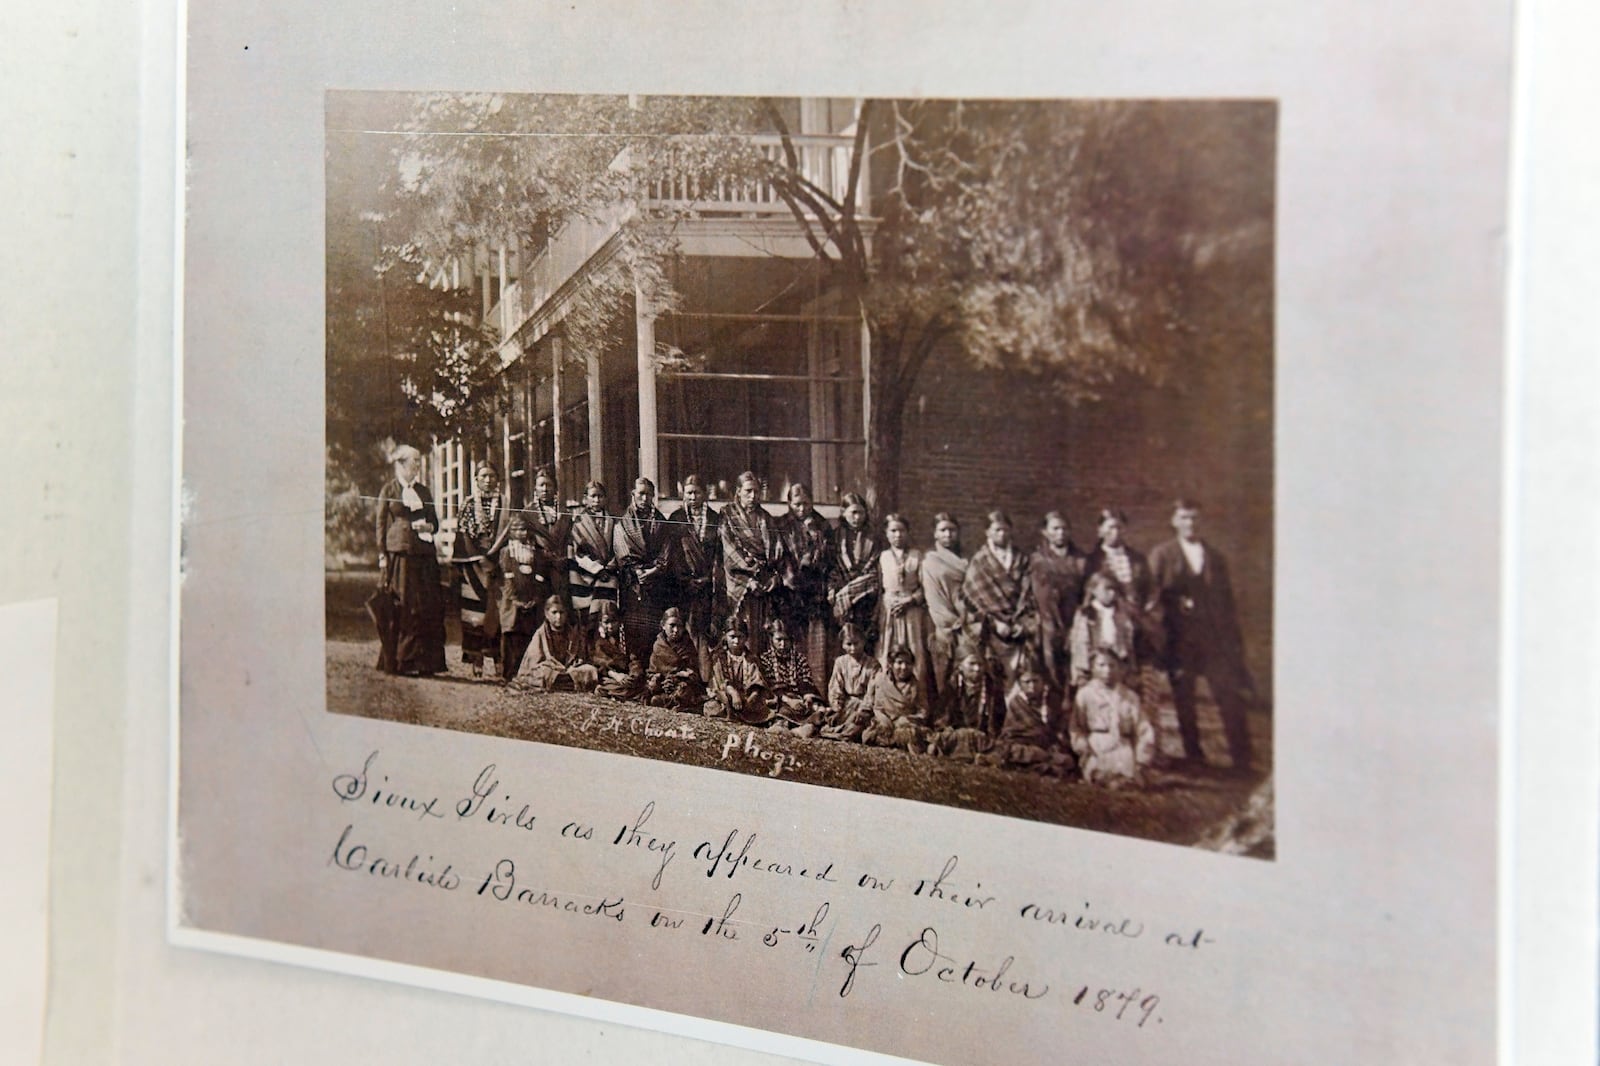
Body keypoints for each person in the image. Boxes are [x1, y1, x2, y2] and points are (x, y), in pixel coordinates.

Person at [1148, 498, 1256, 773]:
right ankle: (1194, 757)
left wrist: (1234, 646)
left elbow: (1227, 605)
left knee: (1229, 696)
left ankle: (1242, 760)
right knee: (1184, 701)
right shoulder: (1162, 555)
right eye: (1184, 517)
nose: (1190, 523)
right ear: (1174, 521)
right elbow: (1151, 600)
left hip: (1214, 643)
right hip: (1179, 642)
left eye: (1194, 517)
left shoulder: (1216, 558)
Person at [374, 444, 447, 677]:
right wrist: (382, 556)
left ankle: (426, 663)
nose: (417, 466)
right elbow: (381, 525)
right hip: (400, 556)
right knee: (403, 606)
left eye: (418, 461)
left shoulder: (424, 492)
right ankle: (401, 661)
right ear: (402, 464)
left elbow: (435, 522)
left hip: (424, 557)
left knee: (427, 606)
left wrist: (428, 526)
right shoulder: (389, 490)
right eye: (414, 461)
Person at [961, 510, 1037, 693]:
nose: (1001, 534)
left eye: (1005, 530)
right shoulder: (979, 562)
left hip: (1018, 629)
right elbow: (972, 599)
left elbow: (1029, 593)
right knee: (995, 676)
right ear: (987, 532)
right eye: (996, 530)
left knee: (1022, 675)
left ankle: (1016, 714)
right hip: (992, 631)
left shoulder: (1022, 559)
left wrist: (1023, 624)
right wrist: (995, 622)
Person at [773, 482, 834, 685]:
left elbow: (830, 559)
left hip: (815, 593)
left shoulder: (822, 525)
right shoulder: (781, 525)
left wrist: (816, 541)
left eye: (806, 504)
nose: (802, 508)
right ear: (789, 503)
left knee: (816, 647)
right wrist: (792, 578)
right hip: (789, 594)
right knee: (791, 642)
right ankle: (792, 689)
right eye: (797, 504)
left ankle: (816, 690)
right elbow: (778, 556)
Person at [454, 461, 510, 679]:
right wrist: (479, 560)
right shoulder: (468, 504)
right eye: (484, 476)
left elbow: (510, 533)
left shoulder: (505, 503)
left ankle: (498, 658)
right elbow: (464, 536)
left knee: (495, 612)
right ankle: (476, 659)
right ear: (476, 479)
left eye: (492, 476)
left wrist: (496, 560)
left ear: (498, 479)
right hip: (473, 567)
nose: (488, 480)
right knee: (474, 614)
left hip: (498, 565)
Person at [662, 474, 720, 679]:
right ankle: (687, 676)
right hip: (683, 586)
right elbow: (671, 554)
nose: (693, 497)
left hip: (707, 586)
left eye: (697, 492)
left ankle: (706, 679)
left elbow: (719, 555)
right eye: (689, 493)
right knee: (684, 630)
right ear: (683, 494)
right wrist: (685, 580)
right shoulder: (676, 519)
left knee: (705, 632)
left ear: (704, 494)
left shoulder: (715, 519)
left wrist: (709, 579)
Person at [1069, 651, 1156, 788]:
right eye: (1101, 665)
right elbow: (1076, 727)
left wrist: (1142, 760)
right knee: (1100, 776)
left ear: (1120, 668)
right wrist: (1083, 748)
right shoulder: (1085, 694)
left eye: (1112, 665)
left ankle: (1125, 779)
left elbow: (1143, 729)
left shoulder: (1130, 696)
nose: (1107, 670)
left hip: (1122, 747)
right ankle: (1099, 776)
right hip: (1097, 746)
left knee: (1127, 779)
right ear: (1092, 668)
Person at [719, 471, 781, 656]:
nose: (753, 496)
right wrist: (749, 580)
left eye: (756, 491)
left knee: (762, 633)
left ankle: (761, 677)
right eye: (748, 491)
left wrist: (773, 577)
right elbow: (729, 551)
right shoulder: (727, 514)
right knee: (741, 631)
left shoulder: (766, 517)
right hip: (740, 582)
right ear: (738, 492)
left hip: (764, 582)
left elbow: (777, 549)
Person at [1030, 510, 1087, 698]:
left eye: (1064, 528)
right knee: (1050, 668)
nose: (1060, 533)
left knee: (1075, 668)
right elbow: (1030, 593)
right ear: (1045, 532)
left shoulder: (1080, 561)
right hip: (1047, 625)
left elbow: (1087, 593)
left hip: (1075, 623)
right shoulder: (1037, 560)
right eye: (1055, 528)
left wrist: (1079, 623)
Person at [876, 513, 932, 699]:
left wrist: (909, 601)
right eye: (893, 530)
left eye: (901, 530)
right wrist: (889, 601)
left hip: (912, 613)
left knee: (915, 652)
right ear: (886, 533)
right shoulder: (882, 557)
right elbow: (878, 587)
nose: (897, 535)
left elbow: (926, 589)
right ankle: (888, 699)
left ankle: (917, 700)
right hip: (890, 610)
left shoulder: (918, 556)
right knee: (887, 651)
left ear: (907, 532)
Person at [615, 477, 669, 656]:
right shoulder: (623, 522)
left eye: (649, 494)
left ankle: (653, 668)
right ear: (633, 495)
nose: (645, 498)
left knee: (654, 626)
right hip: (632, 583)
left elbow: (666, 551)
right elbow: (622, 551)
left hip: (656, 581)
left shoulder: (661, 521)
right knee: (634, 627)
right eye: (641, 494)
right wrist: (637, 572)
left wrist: (653, 571)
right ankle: (635, 667)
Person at [920, 512, 969, 698]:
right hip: (939, 623)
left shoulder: (963, 563)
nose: (948, 534)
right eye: (943, 530)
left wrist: (964, 619)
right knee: (941, 672)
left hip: (964, 623)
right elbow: (932, 596)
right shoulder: (929, 562)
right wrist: (949, 620)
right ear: (935, 534)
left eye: (952, 530)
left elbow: (967, 594)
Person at [994, 662, 1072, 775]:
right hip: (1023, 746)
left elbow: (1058, 728)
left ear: (1043, 681)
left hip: (1048, 746)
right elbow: (1010, 734)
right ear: (1020, 684)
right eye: (1027, 682)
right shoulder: (1016, 703)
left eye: (1036, 681)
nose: (1032, 686)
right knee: (1018, 754)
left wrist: (1055, 742)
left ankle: (1045, 764)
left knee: (1068, 761)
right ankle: (1044, 765)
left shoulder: (1052, 700)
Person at [1069, 572, 1140, 688]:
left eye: (1114, 590)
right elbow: (1080, 644)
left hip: (1118, 666)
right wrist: (1082, 672)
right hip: (1095, 666)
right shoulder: (1086, 614)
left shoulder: (1121, 614)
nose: (1111, 593)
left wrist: (1131, 667)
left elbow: (1128, 643)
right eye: (1107, 589)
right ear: (1094, 590)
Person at [828, 492, 880, 651]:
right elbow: (831, 565)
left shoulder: (874, 537)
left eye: (861, 512)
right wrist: (832, 589)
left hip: (866, 597)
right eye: (853, 513)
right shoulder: (835, 536)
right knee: (845, 642)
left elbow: (875, 568)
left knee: (865, 642)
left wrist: (857, 586)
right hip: (842, 598)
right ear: (844, 513)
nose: (857, 517)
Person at [515, 595, 598, 692]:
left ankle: (565, 683)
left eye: (561, 612)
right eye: (554, 612)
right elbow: (533, 662)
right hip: (551, 669)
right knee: (542, 673)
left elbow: (581, 656)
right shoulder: (540, 634)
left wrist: (576, 663)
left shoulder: (573, 634)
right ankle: (560, 684)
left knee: (590, 670)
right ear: (546, 614)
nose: (558, 617)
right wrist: (552, 666)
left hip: (570, 670)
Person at [566, 480, 620, 627]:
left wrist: (609, 567)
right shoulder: (578, 522)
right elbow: (577, 552)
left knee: (607, 614)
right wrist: (597, 569)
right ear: (585, 499)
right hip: (585, 575)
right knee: (588, 620)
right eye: (593, 496)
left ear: (605, 498)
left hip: (609, 573)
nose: (596, 500)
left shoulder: (613, 521)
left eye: (600, 496)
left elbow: (618, 547)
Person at [497, 515, 545, 680]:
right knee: (511, 635)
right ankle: (508, 674)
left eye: (524, 529)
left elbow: (539, 577)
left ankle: (524, 673)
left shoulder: (536, 553)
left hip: (531, 600)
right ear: (510, 532)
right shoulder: (507, 552)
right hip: (513, 602)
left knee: (528, 635)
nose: (521, 533)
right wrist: (515, 599)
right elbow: (507, 578)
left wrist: (535, 597)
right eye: (516, 529)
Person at [759, 618, 827, 732]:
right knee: (780, 710)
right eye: (779, 639)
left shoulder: (799, 659)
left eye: (786, 640)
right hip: (779, 698)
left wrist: (807, 698)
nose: (783, 644)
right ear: (771, 639)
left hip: (798, 697)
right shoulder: (765, 659)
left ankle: (805, 726)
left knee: (816, 709)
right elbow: (769, 684)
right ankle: (782, 723)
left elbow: (806, 681)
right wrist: (789, 701)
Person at [861, 645, 930, 751]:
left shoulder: (917, 685)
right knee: (871, 734)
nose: (904, 667)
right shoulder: (880, 680)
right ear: (891, 664)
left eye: (908, 663)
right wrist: (882, 718)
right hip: (885, 723)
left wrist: (908, 719)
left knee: (911, 735)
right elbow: (876, 706)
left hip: (905, 723)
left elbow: (923, 710)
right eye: (899, 663)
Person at [820, 623, 879, 742]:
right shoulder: (840, 662)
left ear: (863, 641)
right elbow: (835, 687)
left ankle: (848, 732)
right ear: (842, 645)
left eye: (856, 643)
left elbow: (872, 693)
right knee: (827, 722)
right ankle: (836, 730)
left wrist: (863, 711)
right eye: (849, 644)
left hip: (864, 707)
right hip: (846, 705)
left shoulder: (872, 665)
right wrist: (837, 708)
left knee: (856, 729)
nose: (853, 648)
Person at [704, 620, 770, 724]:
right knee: (713, 707)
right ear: (725, 636)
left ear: (746, 638)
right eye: (732, 637)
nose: (736, 641)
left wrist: (753, 696)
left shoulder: (751, 658)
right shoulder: (719, 657)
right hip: (726, 696)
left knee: (763, 709)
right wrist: (733, 693)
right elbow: (721, 681)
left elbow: (757, 681)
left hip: (746, 696)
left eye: (740, 637)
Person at [522, 466, 571, 602]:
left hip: (561, 567)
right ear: (535, 489)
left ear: (555, 488)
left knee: (562, 603)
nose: (544, 489)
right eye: (541, 485)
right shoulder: (527, 513)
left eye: (548, 485)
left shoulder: (565, 512)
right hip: (538, 567)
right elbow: (524, 541)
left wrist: (564, 558)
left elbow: (570, 539)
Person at [647, 607, 707, 711]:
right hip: (664, 685)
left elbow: (695, 673)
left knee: (684, 691)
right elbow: (652, 671)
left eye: (679, 626)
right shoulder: (658, 646)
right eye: (672, 625)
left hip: (683, 685)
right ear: (663, 625)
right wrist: (655, 679)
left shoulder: (688, 645)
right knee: (653, 694)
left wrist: (684, 675)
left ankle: (680, 702)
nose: (676, 630)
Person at [591, 601, 646, 701]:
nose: (611, 626)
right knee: (607, 684)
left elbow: (634, 660)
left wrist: (633, 675)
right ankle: (607, 690)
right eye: (606, 622)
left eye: (614, 621)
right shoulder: (598, 641)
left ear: (620, 621)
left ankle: (613, 692)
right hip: (610, 678)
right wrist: (616, 676)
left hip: (627, 677)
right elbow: (600, 665)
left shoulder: (627, 639)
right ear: (600, 623)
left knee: (640, 685)